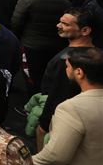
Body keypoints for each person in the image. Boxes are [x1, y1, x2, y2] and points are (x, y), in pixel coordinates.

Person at [32, 47, 103, 165]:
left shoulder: (71, 108)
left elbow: (56, 156)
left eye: (67, 66)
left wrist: (24, 163)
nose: (65, 70)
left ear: (79, 72)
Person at [37, 8, 97, 145]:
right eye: (60, 22)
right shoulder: (96, 54)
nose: (58, 26)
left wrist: (43, 126)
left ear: (85, 31)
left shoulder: (67, 61)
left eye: (66, 24)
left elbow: (58, 95)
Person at [12, 0, 70, 93]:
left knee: (32, 75)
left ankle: (34, 102)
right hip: (57, 45)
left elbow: (16, 23)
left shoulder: (26, 0)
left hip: (31, 45)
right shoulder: (64, 2)